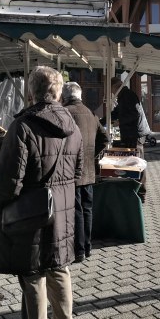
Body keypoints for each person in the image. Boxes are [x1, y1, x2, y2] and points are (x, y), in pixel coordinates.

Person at [0, 66, 83, 319]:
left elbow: (8, 180)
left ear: (32, 92)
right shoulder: (73, 126)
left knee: (33, 278)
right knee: (59, 271)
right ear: (57, 92)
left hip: (31, 218)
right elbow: (77, 174)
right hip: (62, 216)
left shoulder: (22, 126)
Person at [62, 82, 109, 262]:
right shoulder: (91, 114)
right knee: (87, 209)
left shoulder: (65, 113)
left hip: (71, 172)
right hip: (89, 171)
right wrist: (92, 156)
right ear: (80, 96)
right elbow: (105, 139)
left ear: (64, 97)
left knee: (76, 211)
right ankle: (88, 247)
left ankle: (79, 250)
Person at [109, 77, 150, 202]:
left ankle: (140, 194)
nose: (111, 92)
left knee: (138, 162)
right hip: (132, 133)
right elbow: (118, 112)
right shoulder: (123, 95)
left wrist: (119, 122)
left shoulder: (127, 95)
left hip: (135, 134)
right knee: (134, 162)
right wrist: (104, 119)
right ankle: (136, 190)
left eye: (111, 89)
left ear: (116, 87)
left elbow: (134, 114)